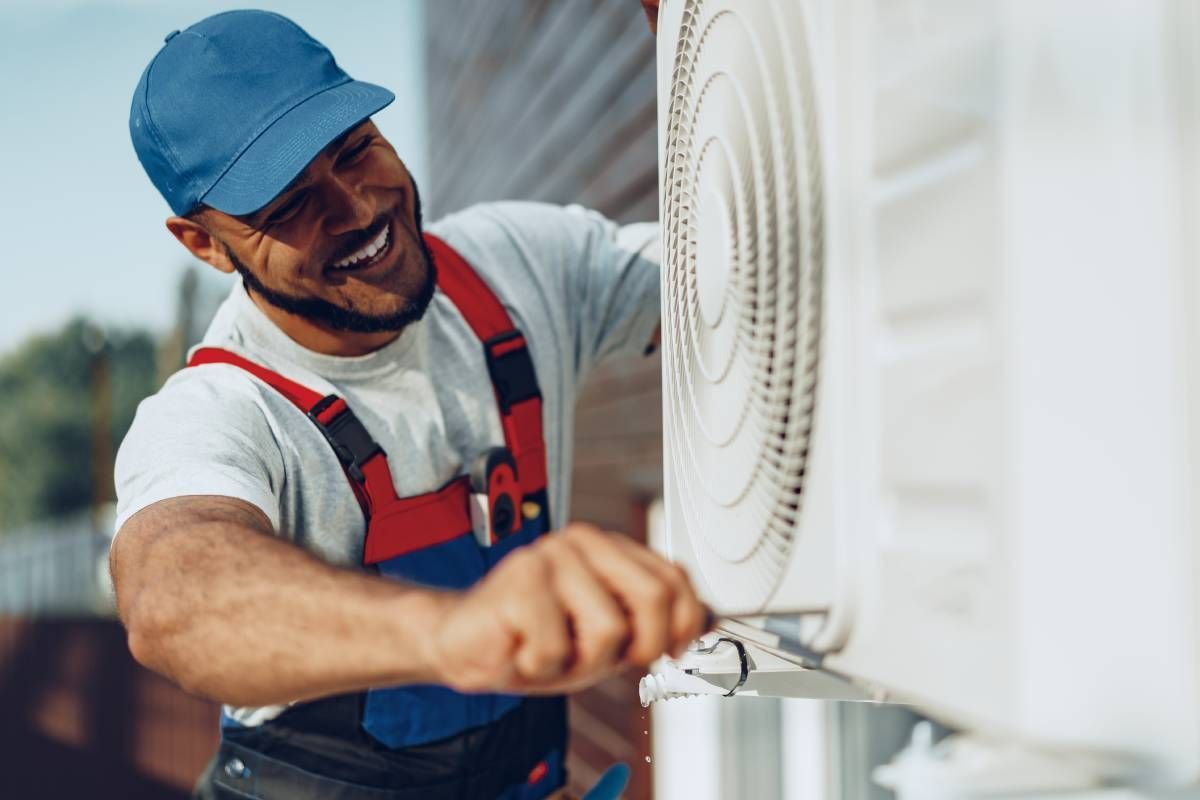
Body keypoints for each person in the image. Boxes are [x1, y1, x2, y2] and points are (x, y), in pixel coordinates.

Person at [110, 4, 696, 799]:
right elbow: (173, 597)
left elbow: (738, 276)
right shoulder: (220, 411)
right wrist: (454, 630)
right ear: (204, 244)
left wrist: (711, 48)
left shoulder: (516, 267)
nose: (355, 208)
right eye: (285, 207)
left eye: (355, 150)